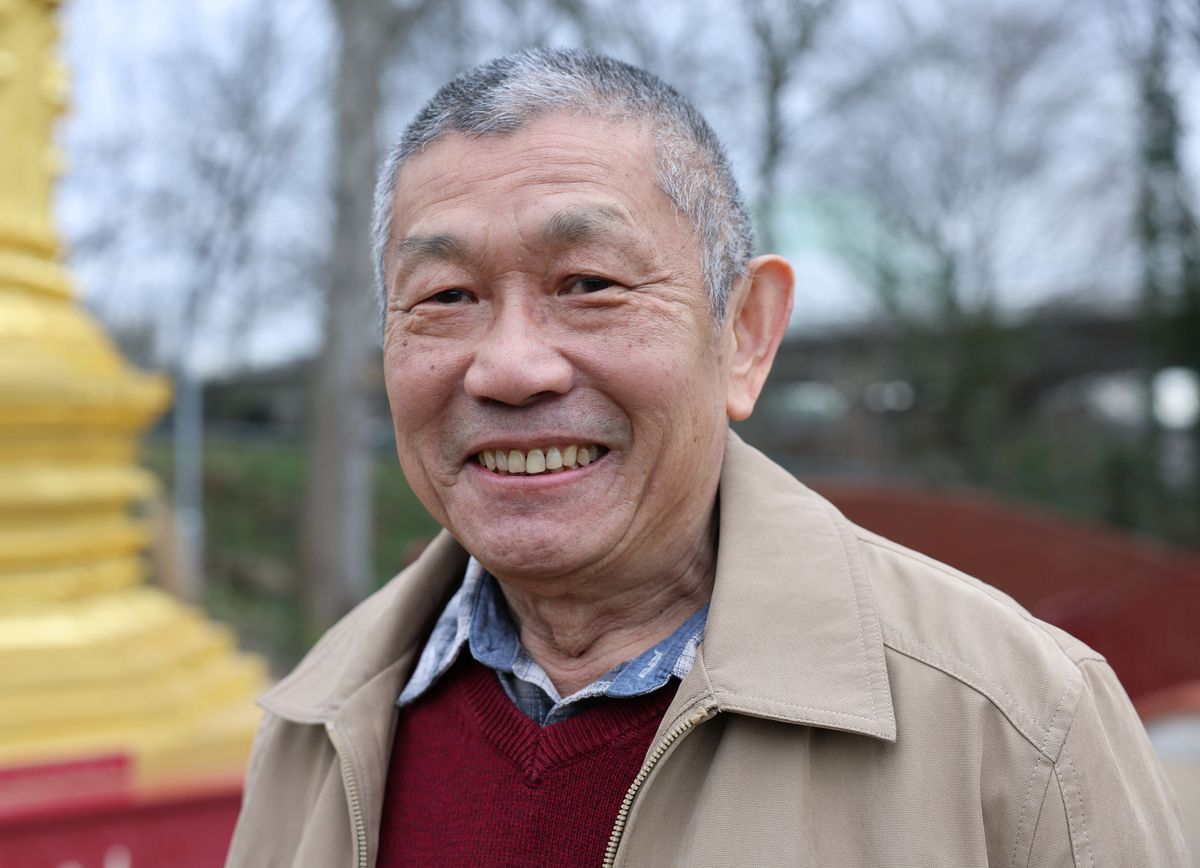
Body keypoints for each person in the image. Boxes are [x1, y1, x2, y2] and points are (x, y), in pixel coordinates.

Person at [225, 49, 1188, 867]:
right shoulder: (320, 722)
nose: (510, 367)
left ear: (747, 334)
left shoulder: (1014, 725)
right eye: (443, 297)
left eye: (590, 283)